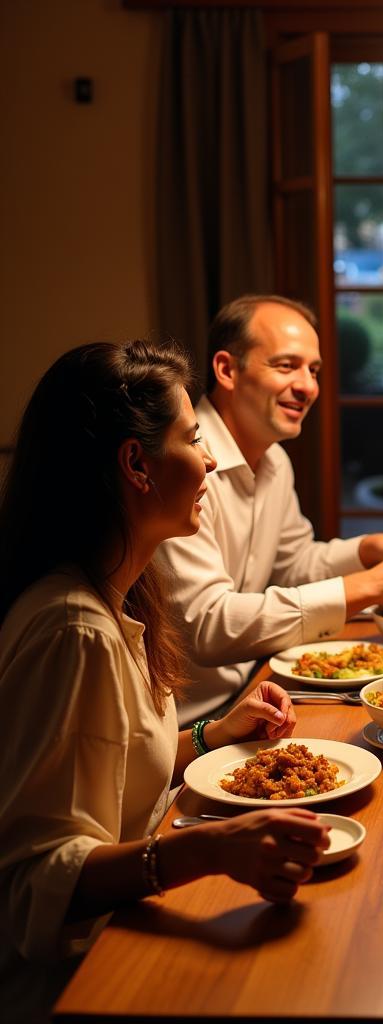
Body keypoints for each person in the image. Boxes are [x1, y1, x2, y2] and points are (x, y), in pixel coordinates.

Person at [0, 341, 332, 1022]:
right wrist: (209, 849)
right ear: (135, 464)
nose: (210, 460)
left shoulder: (116, 596)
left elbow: (116, 770)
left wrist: (211, 734)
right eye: (192, 439)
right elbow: (34, 884)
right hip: (80, 980)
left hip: (127, 928)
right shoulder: (74, 630)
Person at [156, 295, 383, 726]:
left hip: (256, 689)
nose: (308, 386)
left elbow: (293, 564)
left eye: (313, 371)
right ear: (227, 370)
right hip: (188, 725)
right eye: (286, 365)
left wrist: (365, 550)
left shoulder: (274, 461)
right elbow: (206, 626)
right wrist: (364, 587)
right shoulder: (183, 466)